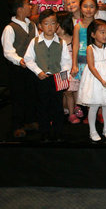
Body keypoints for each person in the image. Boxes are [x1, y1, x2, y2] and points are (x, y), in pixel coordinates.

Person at [24, 9, 72, 141]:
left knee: (57, 106)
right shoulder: (34, 41)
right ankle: (44, 131)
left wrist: (63, 76)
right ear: (40, 26)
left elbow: (66, 62)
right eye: (46, 23)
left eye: (53, 23)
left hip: (56, 78)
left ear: (57, 25)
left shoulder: (61, 42)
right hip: (41, 78)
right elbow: (28, 59)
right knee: (42, 105)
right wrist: (38, 71)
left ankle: (58, 131)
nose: (50, 27)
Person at [1, 0, 38, 138]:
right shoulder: (10, 28)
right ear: (19, 9)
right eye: (28, 4)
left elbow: (36, 44)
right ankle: (17, 125)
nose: (31, 7)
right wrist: (19, 60)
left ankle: (30, 121)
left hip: (31, 67)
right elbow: (8, 51)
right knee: (18, 97)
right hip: (17, 69)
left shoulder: (32, 25)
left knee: (31, 95)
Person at [55, 11, 80, 124]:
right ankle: (69, 113)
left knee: (74, 91)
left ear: (62, 25)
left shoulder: (73, 38)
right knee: (66, 93)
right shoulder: (55, 39)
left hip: (73, 70)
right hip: (60, 71)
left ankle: (74, 109)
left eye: (55, 23)